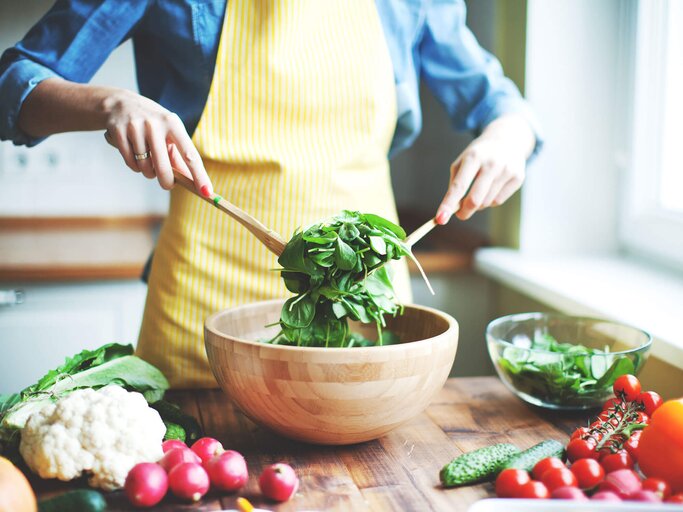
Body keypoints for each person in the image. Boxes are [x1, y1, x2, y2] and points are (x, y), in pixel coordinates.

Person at [0, 0, 542, 388]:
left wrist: (509, 137)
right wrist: (110, 102)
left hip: (367, 300)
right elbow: (13, 84)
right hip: (201, 308)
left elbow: (501, 104)